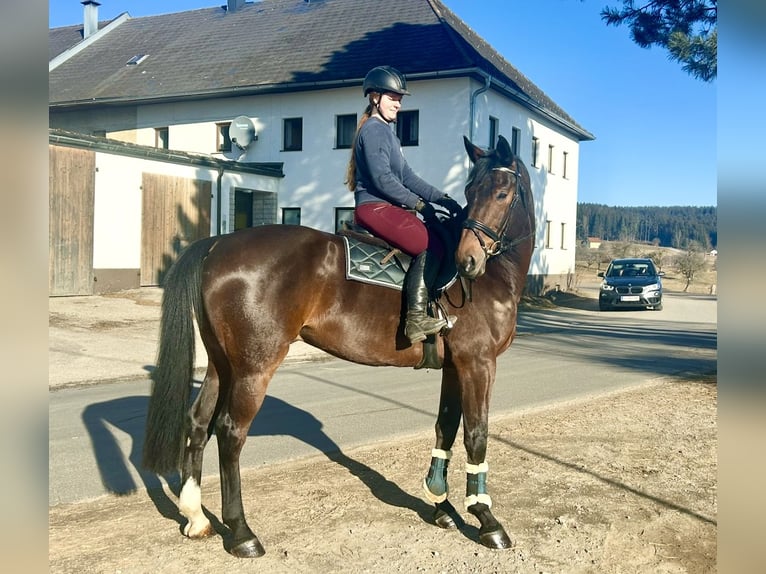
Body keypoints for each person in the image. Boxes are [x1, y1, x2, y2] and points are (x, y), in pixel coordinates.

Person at [345, 65, 462, 344]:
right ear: (374, 97)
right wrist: (419, 206)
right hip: (374, 207)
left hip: (386, 207)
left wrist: (441, 198)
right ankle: (416, 318)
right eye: (392, 97)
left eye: (400, 98)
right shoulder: (373, 130)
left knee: (435, 234)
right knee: (430, 244)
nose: (398, 103)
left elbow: (407, 177)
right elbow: (382, 179)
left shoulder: (388, 133)